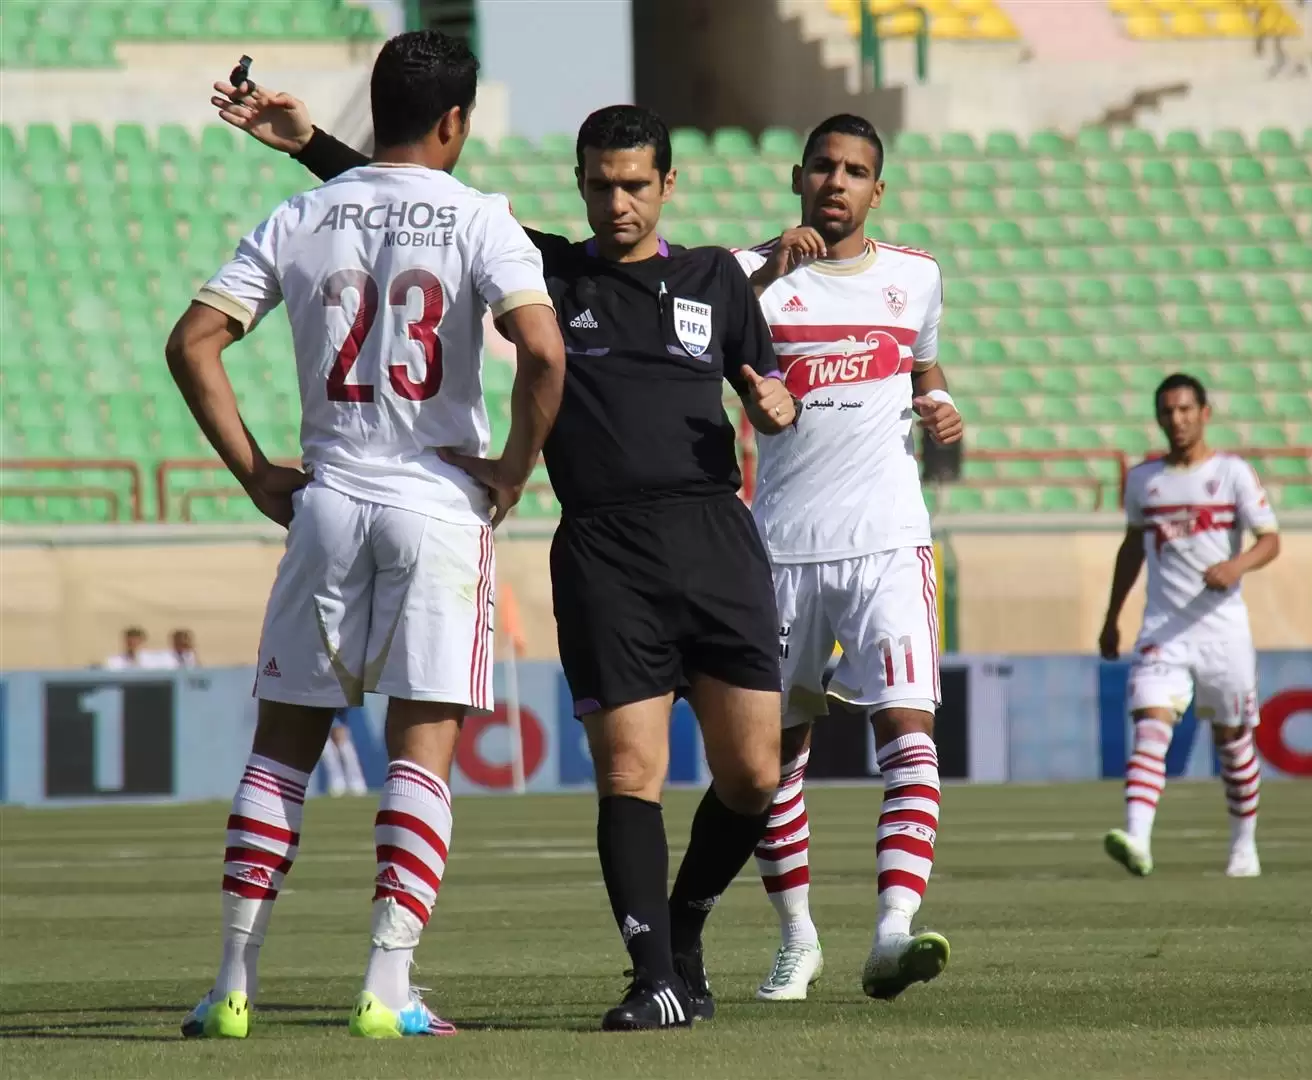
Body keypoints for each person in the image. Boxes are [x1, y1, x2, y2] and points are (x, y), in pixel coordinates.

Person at [212, 84, 799, 1030]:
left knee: (753, 776)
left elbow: (762, 376)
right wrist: (308, 145)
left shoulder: (714, 281)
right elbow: (410, 206)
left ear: (668, 185)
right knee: (629, 771)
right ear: (579, 185)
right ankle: (652, 978)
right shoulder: (545, 268)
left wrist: (774, 400)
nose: (619, 205)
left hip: (714, 536)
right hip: (605, 545)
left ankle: (684, 923)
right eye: (602, 186)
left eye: (636, 186)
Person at [168, 31, 565, 1040]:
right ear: (453, 122)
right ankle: (387, 989)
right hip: (437, 507)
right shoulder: (482, 219)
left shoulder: (300, 212)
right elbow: (544, 353)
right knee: (419, 757)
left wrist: (258, 471)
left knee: (279, 755)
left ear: (372, 108)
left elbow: (192, 342)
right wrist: (515, 469)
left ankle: (230, 986)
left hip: (329, 502)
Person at [729, 115, 963, 1002]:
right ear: (796, 176)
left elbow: (924, 375)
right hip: (780, 548)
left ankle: (892, 933)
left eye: (855, 170)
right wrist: (764, 277)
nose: (836, 182)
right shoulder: (749, 280)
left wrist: (941, 408)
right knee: (773, 758)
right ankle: (797, 939)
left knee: (907, 730)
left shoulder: (916, 278)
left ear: (877, 189)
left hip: (889, 540)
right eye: (822, 166)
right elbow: (715, 373)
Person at [1098, 373, 1280, 879]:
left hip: (1223, 631)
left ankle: (1244, 844)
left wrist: (1235, 566)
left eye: (1184, 410)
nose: (1176, 420)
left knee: (1233, 740)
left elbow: (1270, 539)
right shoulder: (1143, 480)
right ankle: (1137, 837)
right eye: (1167, 411)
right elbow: (1133, 547)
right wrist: (1113, 617)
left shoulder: (1233, 473)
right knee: (1151, 725)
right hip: (1164, 628)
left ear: (1204, 413)